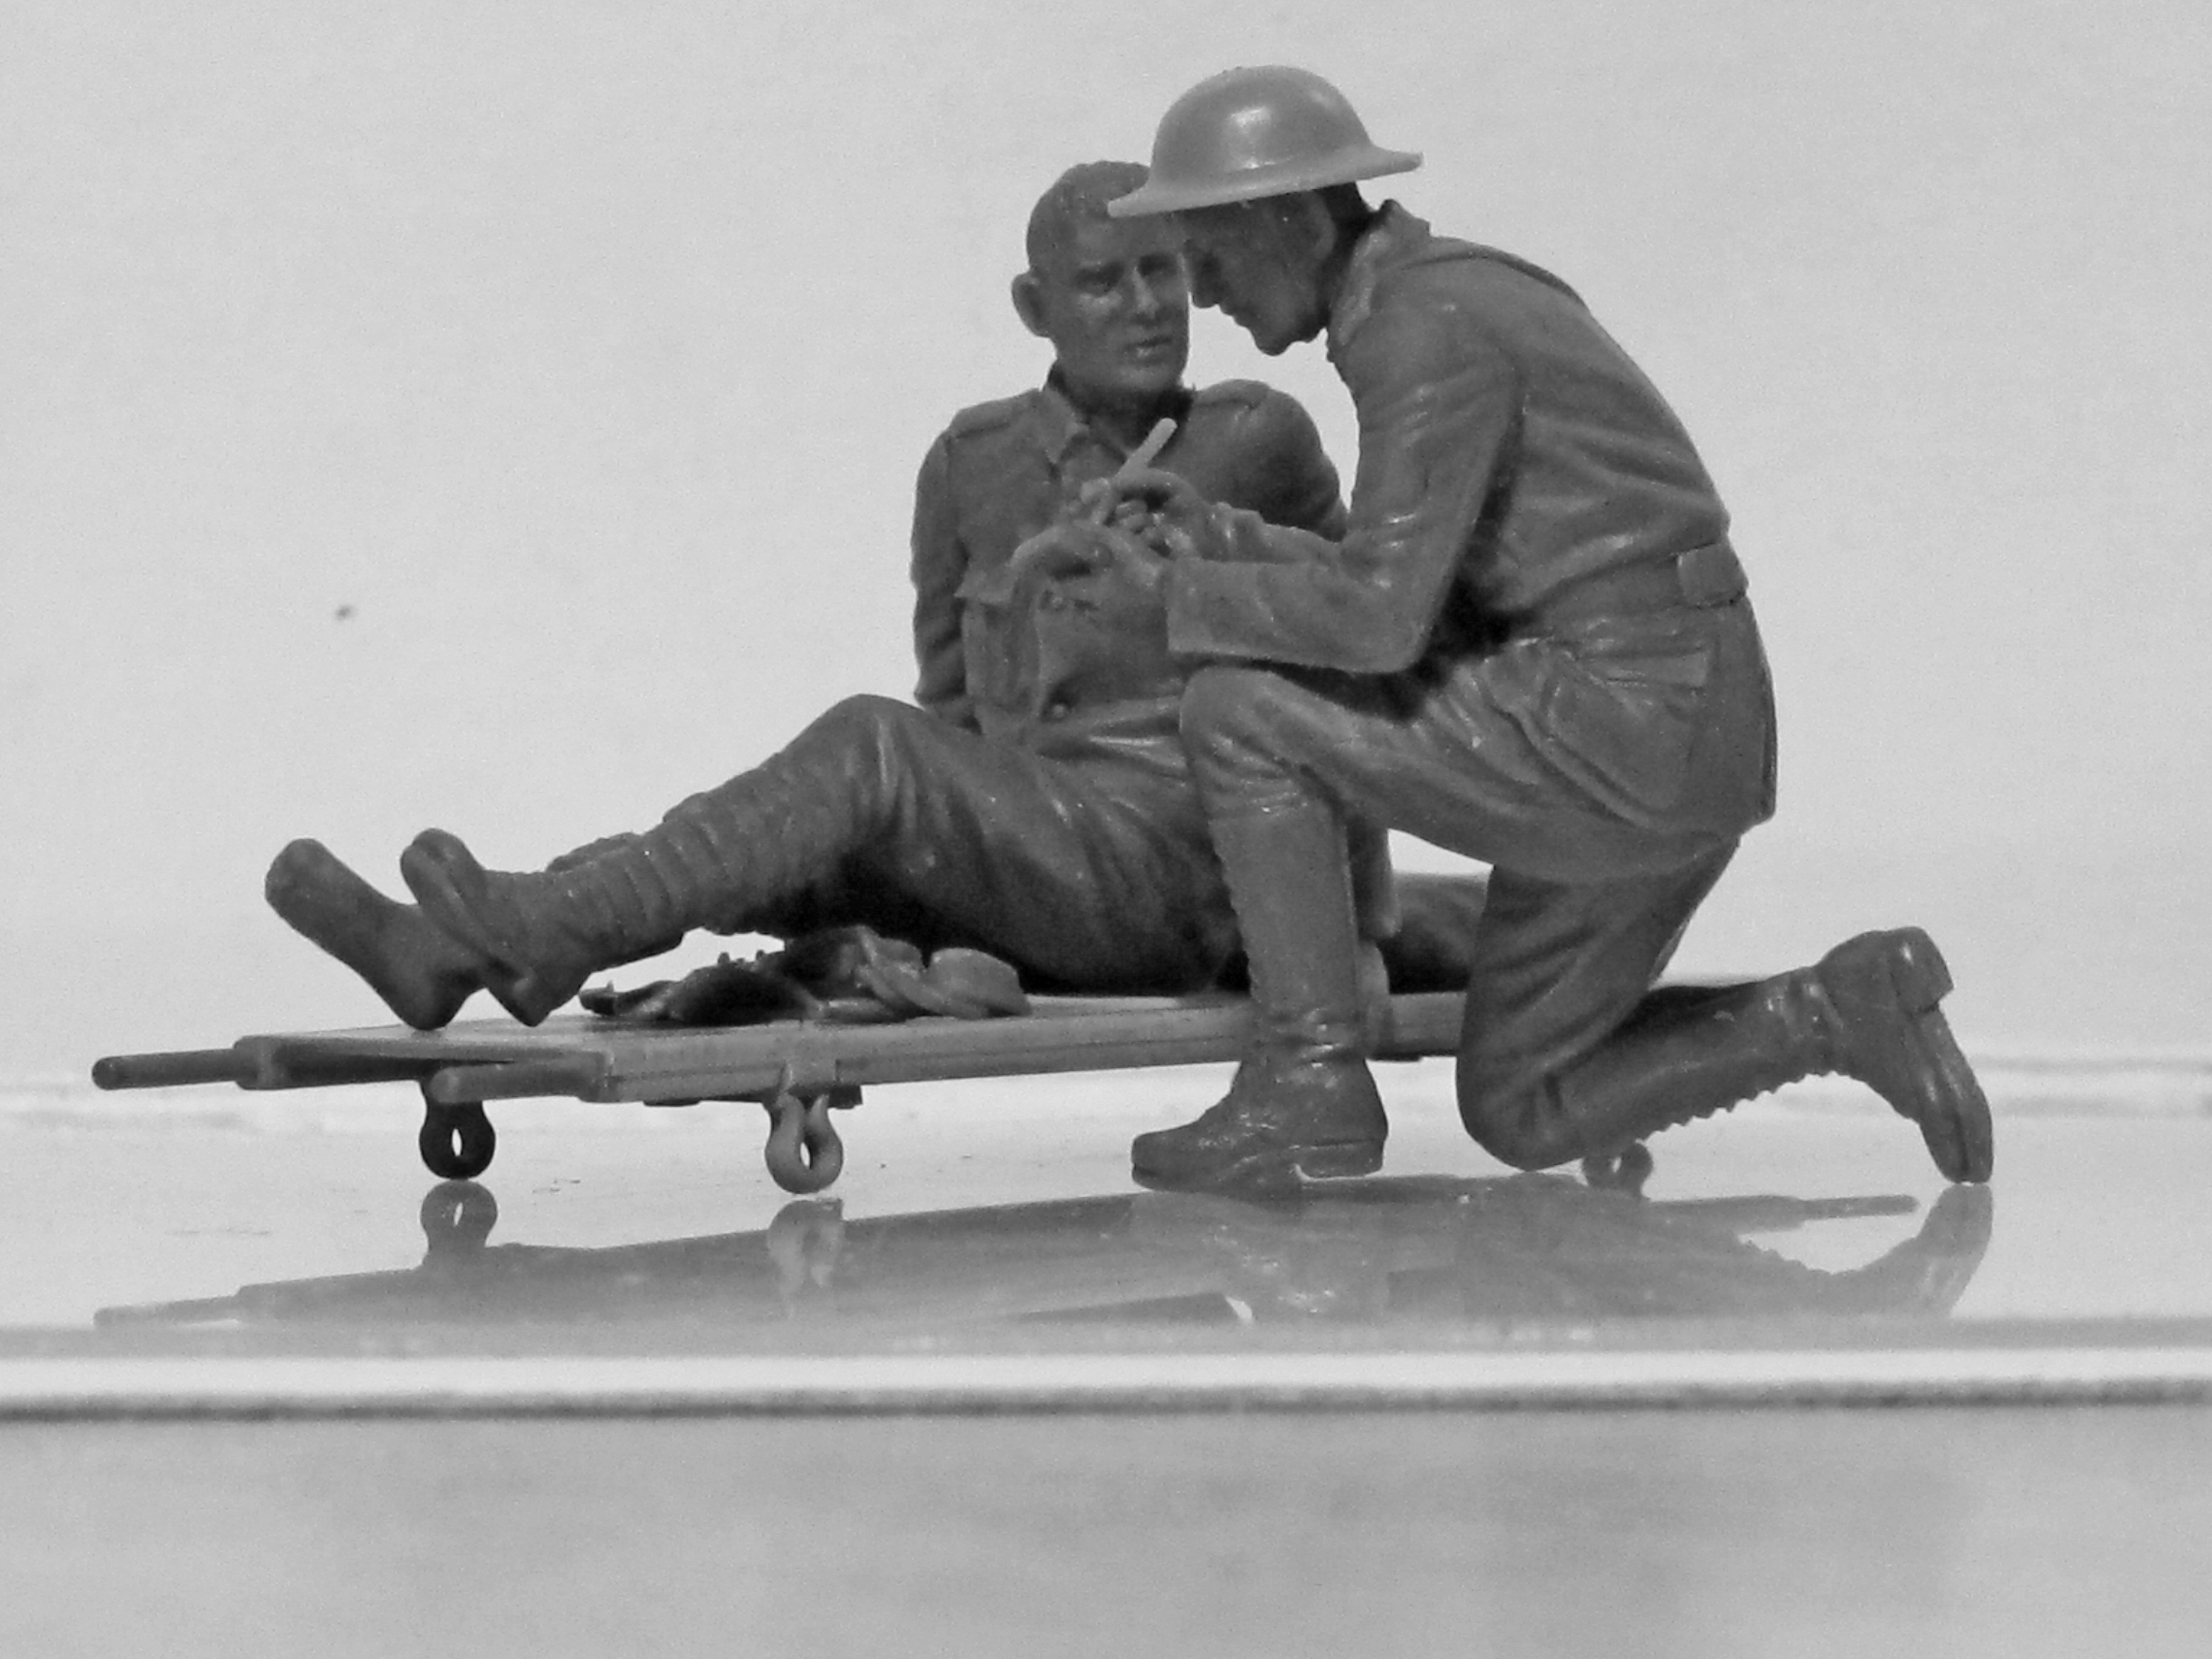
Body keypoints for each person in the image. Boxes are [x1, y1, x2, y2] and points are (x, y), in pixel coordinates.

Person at [266, 160, 1486, 1031]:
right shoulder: (973, 465)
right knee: (768, 836)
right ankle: (460, 951)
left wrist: (1355, 935)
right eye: (1105, 282)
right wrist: (931, 871)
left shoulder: (1255, 442)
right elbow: (950, 713)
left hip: (1188, 870)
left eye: (1165, 270)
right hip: (1038, 854)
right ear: (1036, 309)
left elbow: (1359, 684)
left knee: (867, 750)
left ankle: (523, 935)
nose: (1149, 306)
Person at [1091, 68, 1993, 1191]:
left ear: (1292, 221)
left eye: (1210, 254)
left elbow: (1381, 621)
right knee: (1524, 1103)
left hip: (1620, 719)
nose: (1203, 291)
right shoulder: (1454, 292)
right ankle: (1840, 1010)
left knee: (1236, 711)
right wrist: (1221, 542)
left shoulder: (1416, 333)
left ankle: (1309, 1079)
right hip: (1674, 716)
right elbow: (1426, 582)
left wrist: (1179, 603)